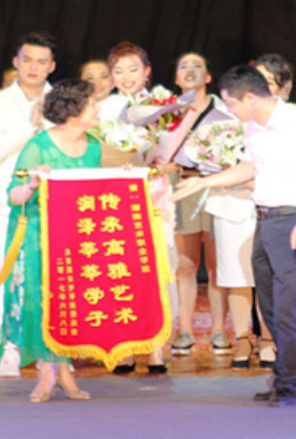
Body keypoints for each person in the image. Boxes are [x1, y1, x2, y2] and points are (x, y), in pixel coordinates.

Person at [173, 65, 296, 407]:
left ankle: (289, 383)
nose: (230, 111)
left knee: (288, 307)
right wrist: (204, 182)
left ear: (250, 98)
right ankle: (295, 378)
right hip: (265, 220)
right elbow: (251, 168)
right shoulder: (253, 127)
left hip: (295, 218)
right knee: (271, 306)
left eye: (232, 104)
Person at [0, 79, 98, 402]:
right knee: (42, 301)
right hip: (39, 237)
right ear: (74, 109)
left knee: (70, 302)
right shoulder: (38, 146)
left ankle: (64, 369)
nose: (98, 109)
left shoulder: (94, 146)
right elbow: (13, 194)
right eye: (92, 104)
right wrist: (33, 184)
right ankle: (47, 372)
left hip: (75, 237)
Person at [0, 31, 57, 377]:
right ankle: (9, 346)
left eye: (42, 62)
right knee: (8, 273)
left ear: (52, 66)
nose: (33, 67)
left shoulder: (61, 100)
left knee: (50, 275)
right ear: (16, 61)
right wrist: (29, 126)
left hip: (54, 202)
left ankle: (49, 346)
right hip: (9, 201)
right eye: (27, 60)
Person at [100, 41, 174, 373]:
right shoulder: (104, 108)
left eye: (133, 69)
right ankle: (126, 347)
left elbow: (173, 156)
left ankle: (157, 348)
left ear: (146, 72)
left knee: (155, 269)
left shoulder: (163, 105)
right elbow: (96, 152)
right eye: (119, 70)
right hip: (115, 195)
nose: (126, 76)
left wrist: (157, 163)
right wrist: (116, 162)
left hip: (153, 192)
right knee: (122, 269)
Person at [169, 53, 229, 357]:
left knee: (217, 264)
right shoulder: (168, 115)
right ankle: (185, 330)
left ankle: (219, 330)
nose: (190, 70)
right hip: (182, 188)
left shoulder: (223, 114)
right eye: (184, 66)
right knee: (186, 264)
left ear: (208, 77)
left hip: (216, 189)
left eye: (197, 66)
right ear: (176, 78)